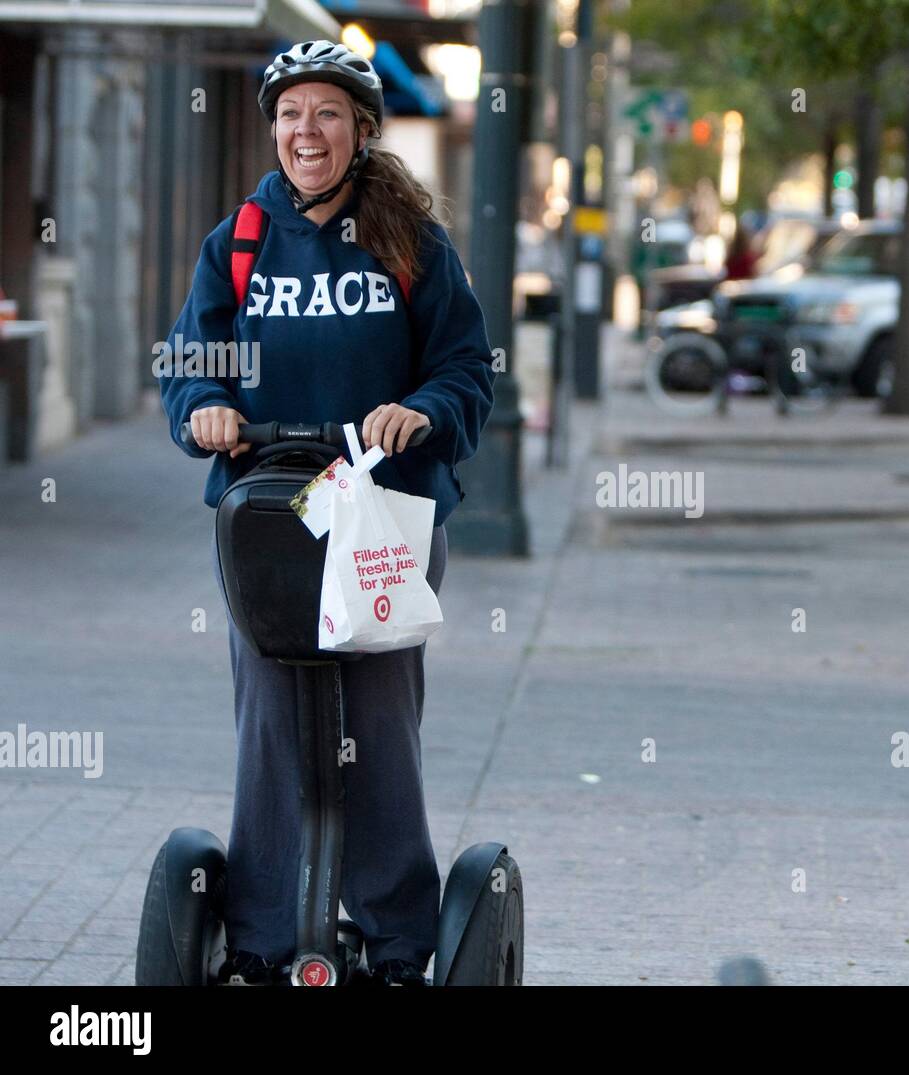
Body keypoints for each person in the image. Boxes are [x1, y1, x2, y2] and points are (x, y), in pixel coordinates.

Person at [156, 40, 495, 986]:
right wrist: (205, 410)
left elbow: (466, 370)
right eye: (291, 113)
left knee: (379, 718)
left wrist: (422, 410)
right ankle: (263, 941)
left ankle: (395, 943)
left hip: (384, 516)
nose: (307, 131)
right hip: (269, 519)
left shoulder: (412, 246)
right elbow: (188, 364)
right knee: (270, 717)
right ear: (275, 127)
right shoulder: (241, 240)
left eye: (327, 113)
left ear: (360, 130)